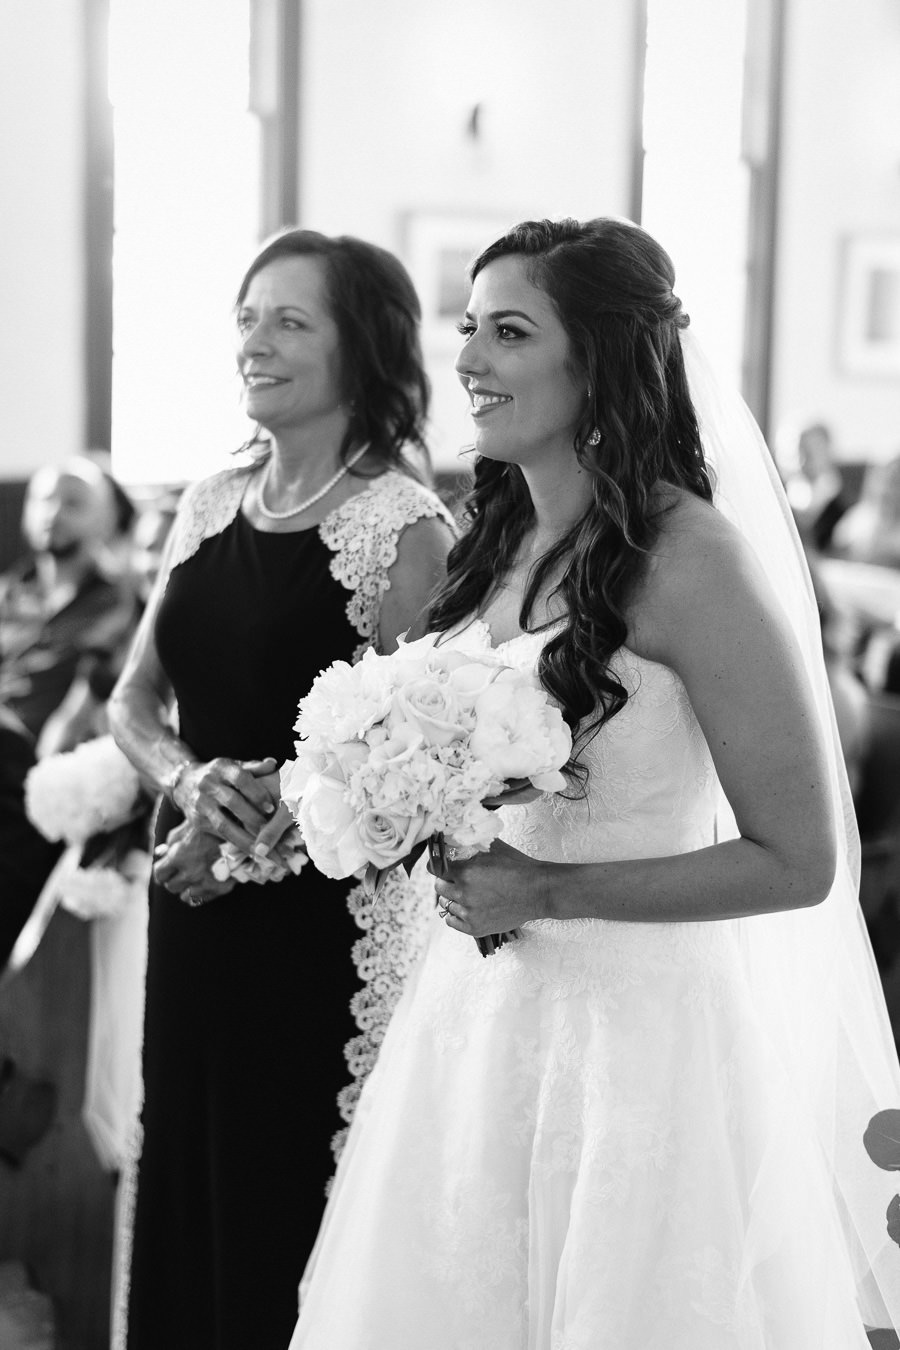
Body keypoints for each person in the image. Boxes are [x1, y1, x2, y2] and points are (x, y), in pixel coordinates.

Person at [287, 218, 900, 1348]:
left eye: (508, 333)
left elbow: (800, 859)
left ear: (602, 360)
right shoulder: (496, 537)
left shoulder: (692, 559)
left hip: (636, 1044)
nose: (467, 360)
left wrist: (550, 893)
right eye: (467, 329)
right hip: (476, 1020)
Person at [107, 228, 455, 1350]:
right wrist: (187, 780)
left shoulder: (405, 530)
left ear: (365, 349)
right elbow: (131, 707)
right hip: (193, 907)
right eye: (247, 317)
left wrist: (268, 835)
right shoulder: (207, 501)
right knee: (186, 1176)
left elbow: (418, 775)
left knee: (284, 1206)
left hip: (320, 938)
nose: (254, 341)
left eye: (290, 319)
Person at [0, 457, 136, 743]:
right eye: (44, 500)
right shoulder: (7, 593)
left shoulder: (119, 603)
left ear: (105, 520)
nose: (54, 512)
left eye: (74, 504)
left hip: (39, 756)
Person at [777, 418, 849, 552]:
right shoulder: (782, 496)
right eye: (800, 449)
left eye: (812, 449)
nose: (804, 457)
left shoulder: (845, 503)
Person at [832, 453, 900, 569]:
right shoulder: (857, 518)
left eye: (896, 483)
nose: (888, 489)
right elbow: (835, 556)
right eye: (885, 480)